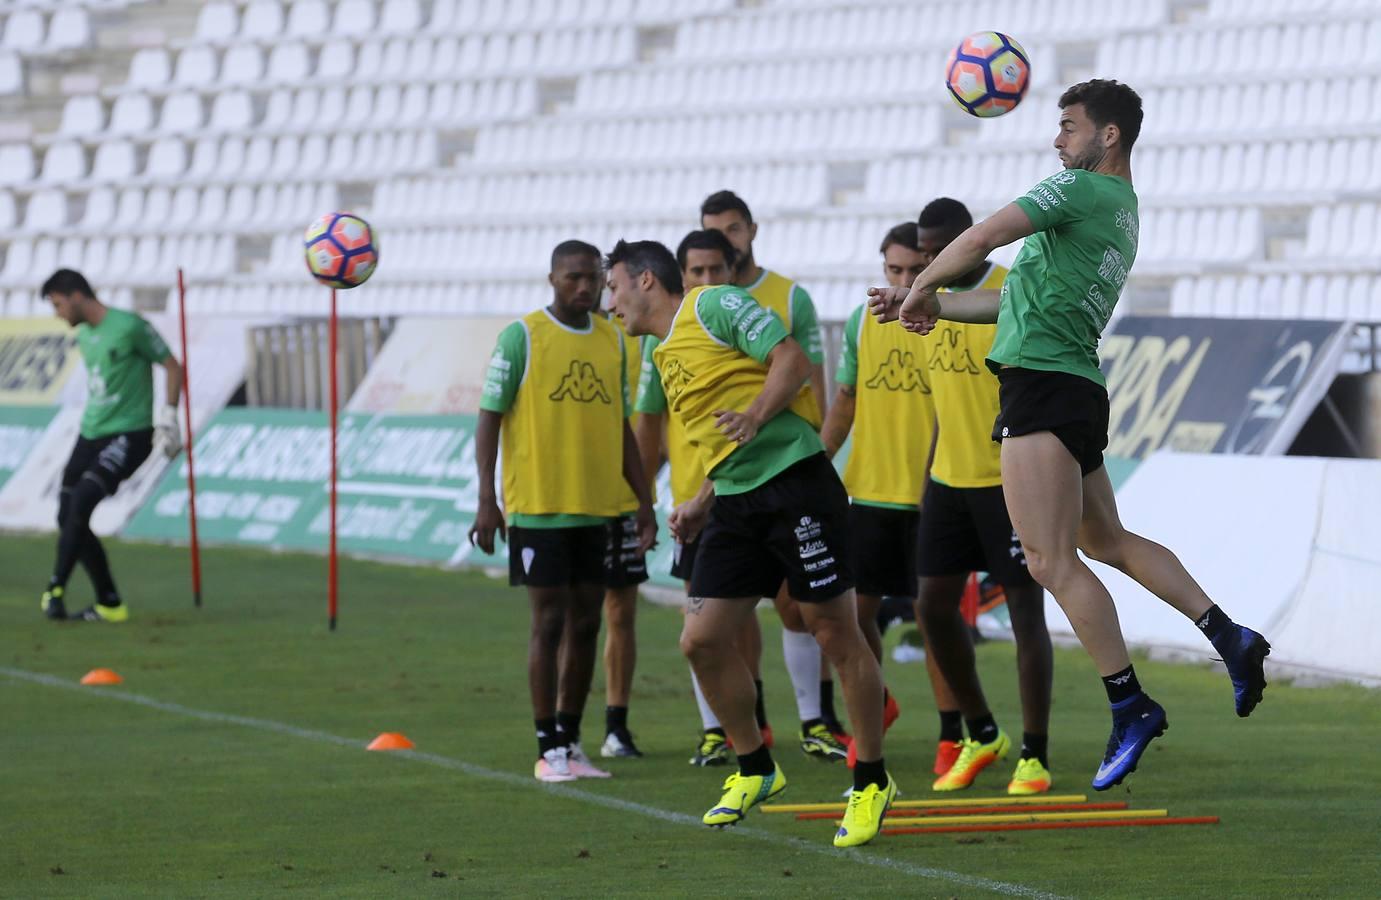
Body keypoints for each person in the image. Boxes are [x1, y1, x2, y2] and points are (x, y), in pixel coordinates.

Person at [870, 80, 1270, 791]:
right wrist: (929, 303)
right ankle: (1229, 637)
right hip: (1075, 387)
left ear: (1106, 135)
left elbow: (981, 237)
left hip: (1040, 387)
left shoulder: (1078, 191)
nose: (1057, 141)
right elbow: (1009, 296)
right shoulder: (1122, 210)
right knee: (1104, 541)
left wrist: (918, 285)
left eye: (1067, 126)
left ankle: (1130, 704)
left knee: (1047, 562)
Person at [608, 238, 894, 848]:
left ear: (645, 282)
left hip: (796, 485)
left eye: (615, 289)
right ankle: (756, 767)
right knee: (701, 639)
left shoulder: (712, 305)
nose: (612, 304)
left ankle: (871, 779)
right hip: (735, 503)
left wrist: (758, 415)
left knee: (832, 631)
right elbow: (725, 444)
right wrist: (700, 503)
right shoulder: (661, 356)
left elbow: (790, 360)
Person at [470, 240, 657, 784]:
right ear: (551, 278)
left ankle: (572, 742)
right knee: (548, 621)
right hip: (539, 506)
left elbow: (622, 426)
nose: (583, 287)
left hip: (597, 507)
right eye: (571, 277)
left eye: (591, 279)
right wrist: (489, 499)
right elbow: (488, 417)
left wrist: (642, 503)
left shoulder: (614, 341)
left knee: (587, 623)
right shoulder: (522, 336)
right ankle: (546, 745)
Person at [907, 199, 1056, 795]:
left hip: (1008, 483)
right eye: (922, 250)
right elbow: (946, 409)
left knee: (1025, 618)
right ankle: (983, 731)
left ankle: (1034, 755)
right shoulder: (930, 302)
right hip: (948, 484)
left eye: (938, 247)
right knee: (931, 609)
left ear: (971, 242)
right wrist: (926, 483)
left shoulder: (1007, 291)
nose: (928, 258)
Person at [701, 191, 851, 756]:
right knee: (727, 608)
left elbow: (810, 376)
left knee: (802, 602)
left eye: (733, 229)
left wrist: (814, 450)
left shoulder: (787, 297)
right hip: (720, 474)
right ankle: (744, 726)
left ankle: (816, 721)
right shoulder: (692, 308)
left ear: (752, 230)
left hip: (787, 469)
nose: (725, 240)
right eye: (713, 231)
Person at [820, 222, 933, 769]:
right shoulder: (864, 321)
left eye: (916, 270)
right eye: (895, 271)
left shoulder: (947, 318)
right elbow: (844, 400)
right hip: (867, 490)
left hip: (934, 493)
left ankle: (960, 730)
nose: (906, 280)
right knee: (853, 616)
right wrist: (818, 465)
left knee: (935, 620)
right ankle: (878, 700)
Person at [40, 269, 183, 623]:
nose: (57, 313)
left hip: (129, 435)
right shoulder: (86, 335)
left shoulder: (130, 326)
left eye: (58, 304)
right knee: (66, 514)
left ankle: (55, 588)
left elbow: (171, 365)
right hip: (90, 433)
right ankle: (109, 602)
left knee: (82, 503)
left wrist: (168, 417)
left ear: (75, 296)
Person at [595, 295, 652, 759]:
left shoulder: (644, 339)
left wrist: (646, 494)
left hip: (623, 496)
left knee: (620, 613)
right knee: (567, 615)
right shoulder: (571, 338)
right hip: (571, 500)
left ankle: (617, 724)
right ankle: (558, 728)